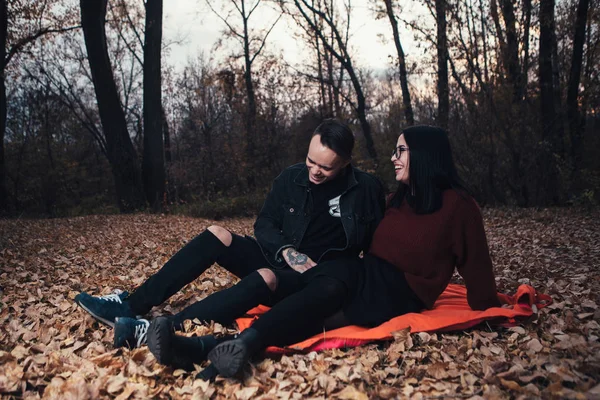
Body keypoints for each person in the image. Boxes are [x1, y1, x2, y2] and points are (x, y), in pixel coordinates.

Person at [143, 125, 502, 378]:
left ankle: (228, 345)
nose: (393, 157)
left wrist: (492, 305)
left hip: (392, 291)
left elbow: (477, 268)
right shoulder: (400, 199)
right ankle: (192, 343)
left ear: (424, 155)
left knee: (325, 294)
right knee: (290, 292)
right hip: (354, 274)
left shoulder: (459, 207)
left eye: (401, 151)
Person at [74, 118, 386, 353]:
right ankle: (131, 305)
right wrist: (288, 252)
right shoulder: (291, 177)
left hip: (315, 280)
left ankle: (161, 328)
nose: (315, 172)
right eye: (311, 161)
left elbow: (379, 245)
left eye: (326, 168)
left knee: (266, 277)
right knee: (217, 233)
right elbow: (264, 224)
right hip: (282, 257)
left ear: (345, 163)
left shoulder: (367, 190)